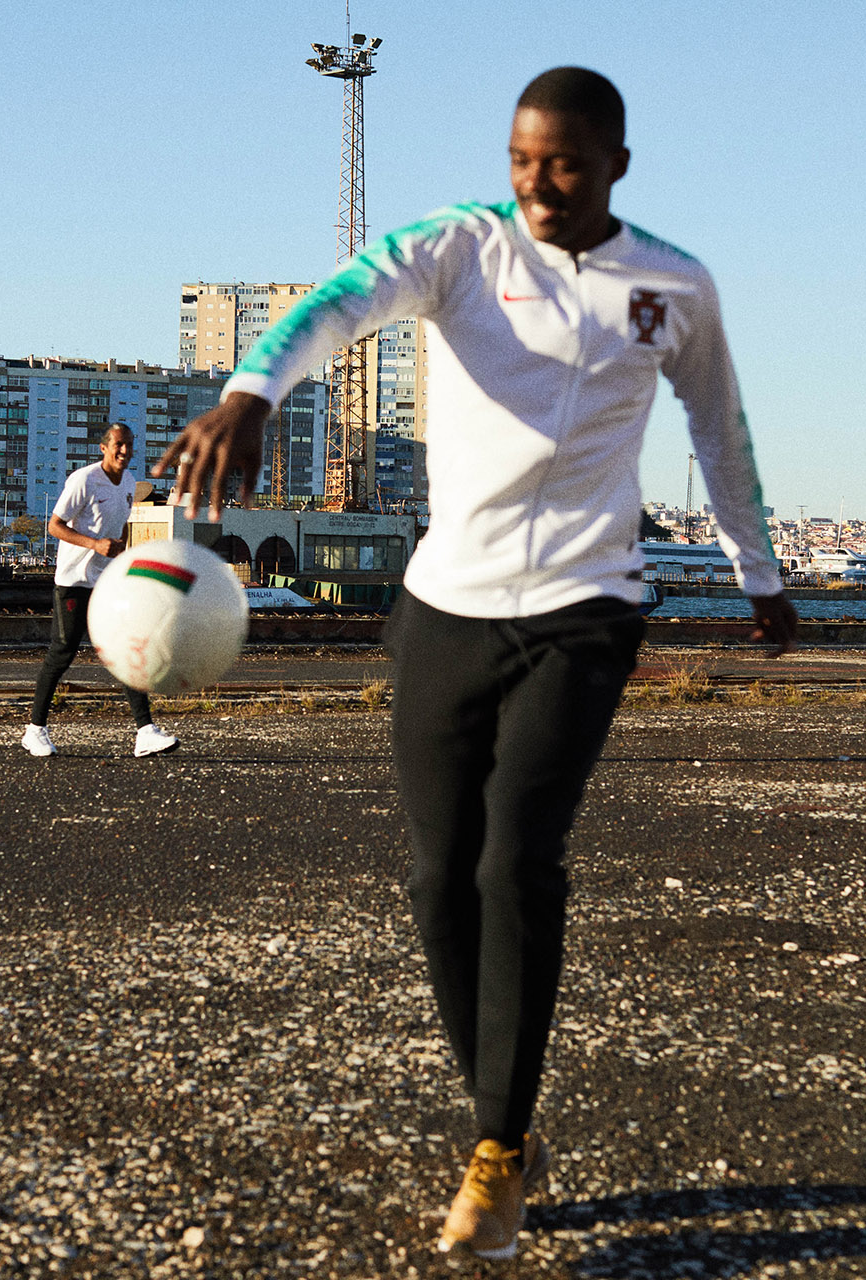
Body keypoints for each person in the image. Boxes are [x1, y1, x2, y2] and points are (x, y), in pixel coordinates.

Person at [157, 66, 796, 1258]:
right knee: (437, 876)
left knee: (517, 861)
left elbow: (721, 429)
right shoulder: (458, 246)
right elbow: (336, 303)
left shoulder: (673, 284)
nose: (538, 184)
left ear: (616, 164)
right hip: (445, 602)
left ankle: (496, 1143)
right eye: (521, 161)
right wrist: (251, 391)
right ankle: (506, 1117)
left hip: (586, 607)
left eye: (564, 163)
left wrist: (756, 568)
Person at [21, 425, 180, 759]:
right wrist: (95, 544)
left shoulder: (129, 483)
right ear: (103, 448)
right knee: (62, 652)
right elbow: (54, 526)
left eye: (129, 445)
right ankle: (35, 730)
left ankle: (145, 732)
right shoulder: (84, 480)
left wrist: (123, 557)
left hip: (105, 583)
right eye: (118, 445)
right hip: (73, 581)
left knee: (126, 649)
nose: (124, 451)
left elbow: (122, 526)